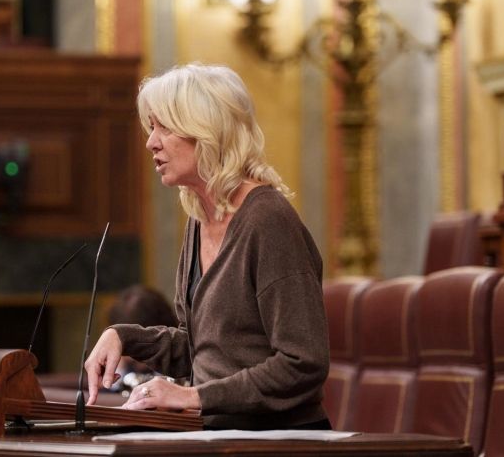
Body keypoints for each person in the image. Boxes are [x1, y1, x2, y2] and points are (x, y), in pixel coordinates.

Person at [85, 63, 330, 430]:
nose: (151, 142)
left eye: (164, 127)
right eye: (152, 128)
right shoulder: (199, 220)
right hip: (217, 435)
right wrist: (124, 336)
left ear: (206, 131)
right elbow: (199, 348)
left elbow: (304, 363)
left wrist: (193, 396)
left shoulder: (268, 221)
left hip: (280, 439)